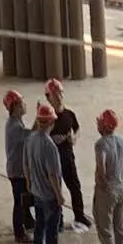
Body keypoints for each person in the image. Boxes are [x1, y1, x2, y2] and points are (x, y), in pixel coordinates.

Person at [23, 103, 70, 244]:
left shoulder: (30, 139)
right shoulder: (50, 146)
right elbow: (52, 175)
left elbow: (26, 165)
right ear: (51, 122)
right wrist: (59, 195)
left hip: (36, 191)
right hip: (49, 195)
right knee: (51, 229)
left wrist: (29, 183)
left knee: (40, 225)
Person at [44, 78, 90, 228]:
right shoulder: (47, 118)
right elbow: (38, 137)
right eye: (55, 95)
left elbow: (77, 129)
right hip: (52, 162)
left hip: (68, 158)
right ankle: (58, 220)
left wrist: (73, 138)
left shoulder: (69, 114)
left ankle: (79, 215)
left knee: (75, 187)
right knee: (54, 191)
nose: (59, 97)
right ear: (48, 97)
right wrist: (51, 140)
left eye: (60, 93)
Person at [93, 108, 123, 244]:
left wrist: (102, 184)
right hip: (121, 187)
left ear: (103, 125)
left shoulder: (101, 144)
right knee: (119, 225)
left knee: (105, 228)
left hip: (107, 190)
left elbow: (101, 166)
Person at [2, 91, 32, 244]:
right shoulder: (14, 126)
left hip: (18, 169)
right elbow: (32, 134)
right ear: (15, 107)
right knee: (19, 202)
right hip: (17, 171)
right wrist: (41, 119)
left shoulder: (17, 122)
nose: (24, 105)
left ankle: (28, 222)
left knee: (24, 198)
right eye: (22, 103)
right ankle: (19, 233)